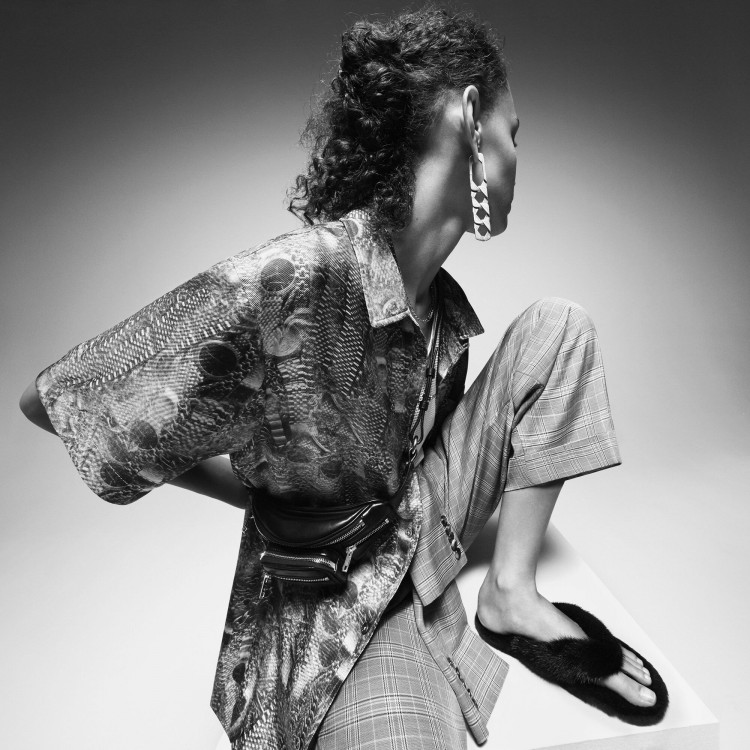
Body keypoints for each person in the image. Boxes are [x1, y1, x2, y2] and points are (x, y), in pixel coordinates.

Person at [19, 6, 668, 749]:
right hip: (336, 597)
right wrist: (263, 496)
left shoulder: (435, 296)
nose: (518, 157)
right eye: (512, 134)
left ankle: (511, 592)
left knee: (560, 325)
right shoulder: (293, 280)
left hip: (421, 509)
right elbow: (60, 400)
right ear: (468, 118)